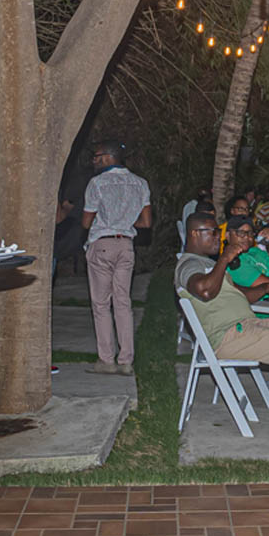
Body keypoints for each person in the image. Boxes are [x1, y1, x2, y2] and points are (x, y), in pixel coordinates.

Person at [176, 212, 269, 441]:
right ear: (195, 234)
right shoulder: (188, 265)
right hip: (229, 335)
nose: (219, 237)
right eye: (214, 232)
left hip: (247, 325)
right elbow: (205, 291)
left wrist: (266, 288)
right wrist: (224, 259)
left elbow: (241, 294)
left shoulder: (207, 264)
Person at [81, 140, 151, 377]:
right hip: (126, 245)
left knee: (101, 304)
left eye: (96, 156)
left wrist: (108, 223)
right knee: (123, 302)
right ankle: (126, 360)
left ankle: (106, 360)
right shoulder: (140, 183)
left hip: (102, 243)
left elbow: (86, 222)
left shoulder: (97, 183)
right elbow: (146, 222)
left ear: (108, 157)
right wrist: (125, 223)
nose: (94, 161)